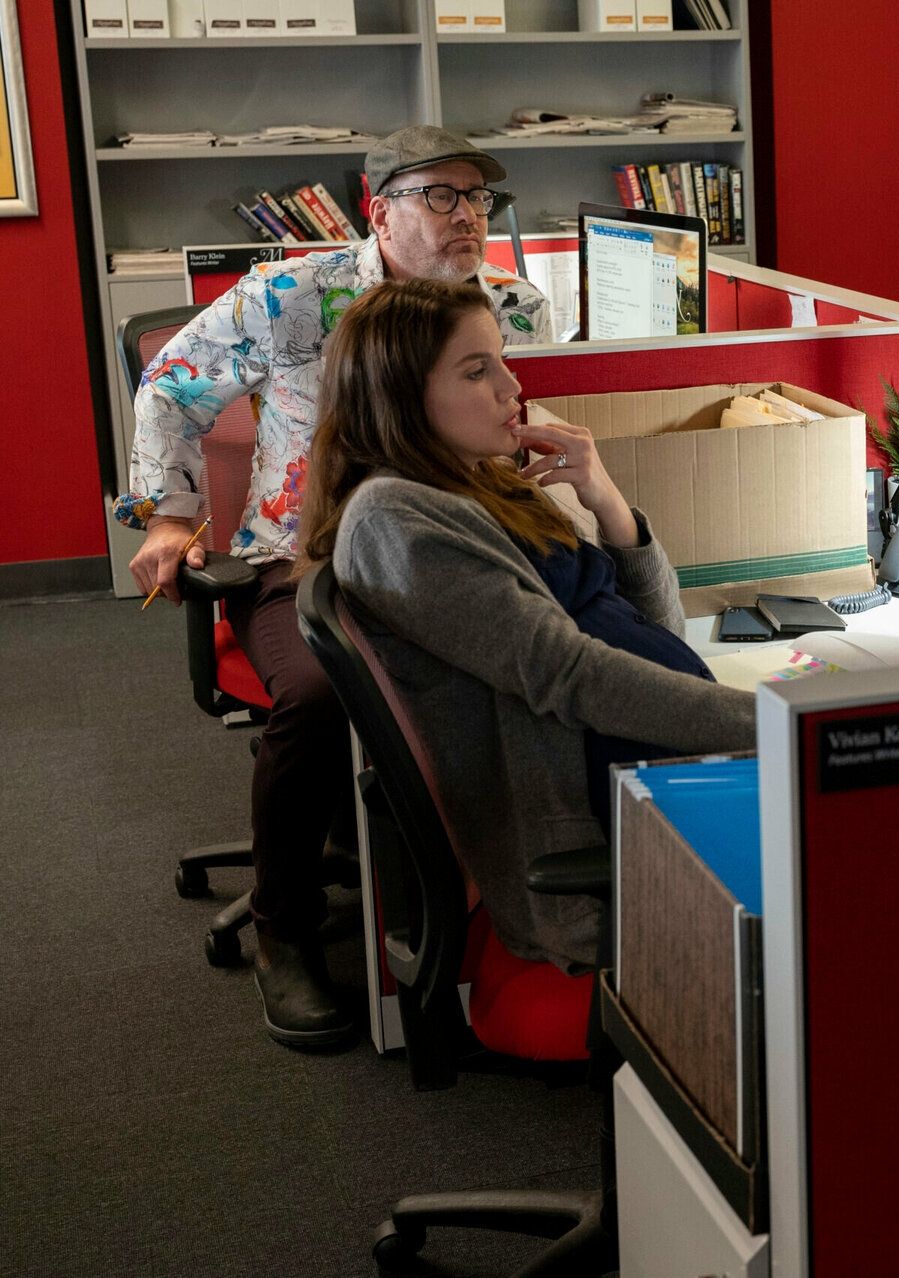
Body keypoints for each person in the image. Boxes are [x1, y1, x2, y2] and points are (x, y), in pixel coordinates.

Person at [115, 126, 554, 1047]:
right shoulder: (294, 296)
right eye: (440, 195)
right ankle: (283, 931)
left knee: (545, 662)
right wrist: (168, 514)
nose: (468, 215)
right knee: (320, 694)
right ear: (379, 210)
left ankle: (514, 914)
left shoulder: (512, 307)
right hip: (303, 559)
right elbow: (169, 387)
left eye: (478, 197)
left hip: (451, 555)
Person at [299, 279, 755, 973]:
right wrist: (772, 725)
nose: (511, 387)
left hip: (654, 769)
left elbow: (658, 633)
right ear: (400, 395)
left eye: (503, 361)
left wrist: (606, 500)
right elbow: (568, 675)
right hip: (611, 812)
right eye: (476, 370)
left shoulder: (482, 480)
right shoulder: (391, 519)